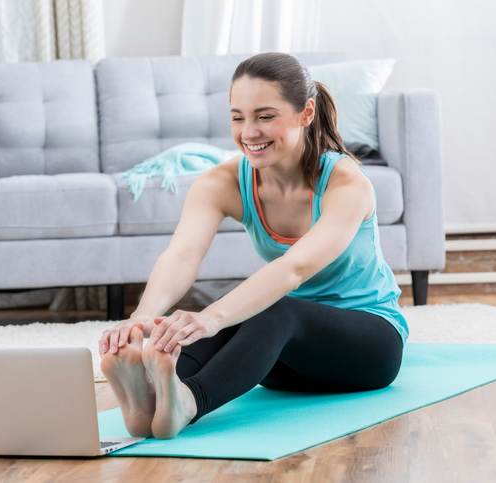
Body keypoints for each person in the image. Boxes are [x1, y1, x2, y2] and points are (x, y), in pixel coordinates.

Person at [98, 52, 409, 440]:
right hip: (279, 361)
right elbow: (182, 255)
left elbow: (292, 269)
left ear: (306, 113)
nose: (249, 132)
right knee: (220, 316)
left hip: (369, 348)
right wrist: (143, 319)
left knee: (260, 309)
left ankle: (189, 402)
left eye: (265, 116)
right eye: (237, 117)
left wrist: (212, 316)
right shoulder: (223, 181)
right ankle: (149, 393)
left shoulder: (346, 183)